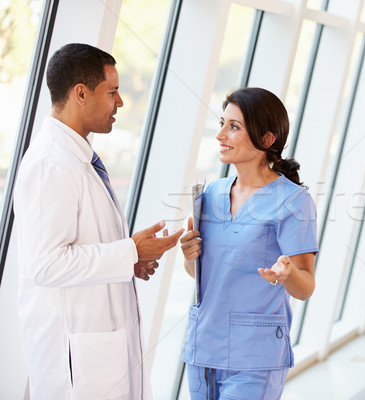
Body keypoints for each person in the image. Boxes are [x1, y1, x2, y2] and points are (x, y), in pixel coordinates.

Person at [13, 43, 184, 400]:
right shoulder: (50, 164)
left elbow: (78, 249)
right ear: (81, 94)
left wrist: (129, 260)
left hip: (96, 352)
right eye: (112, 92)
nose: (120, 103)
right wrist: (128, 252)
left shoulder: (78, 157)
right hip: (76, 363)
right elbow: (46, 265)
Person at [179, 87, 318, 399]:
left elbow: (305, 286)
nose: (220, 136)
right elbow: (202, 274)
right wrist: (190, 256)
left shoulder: (294, 201)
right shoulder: (212, 194)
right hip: (203, 351)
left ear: (267, 140)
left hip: (255, 359)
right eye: (222, 124)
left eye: (234, 127)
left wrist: (287, 274)